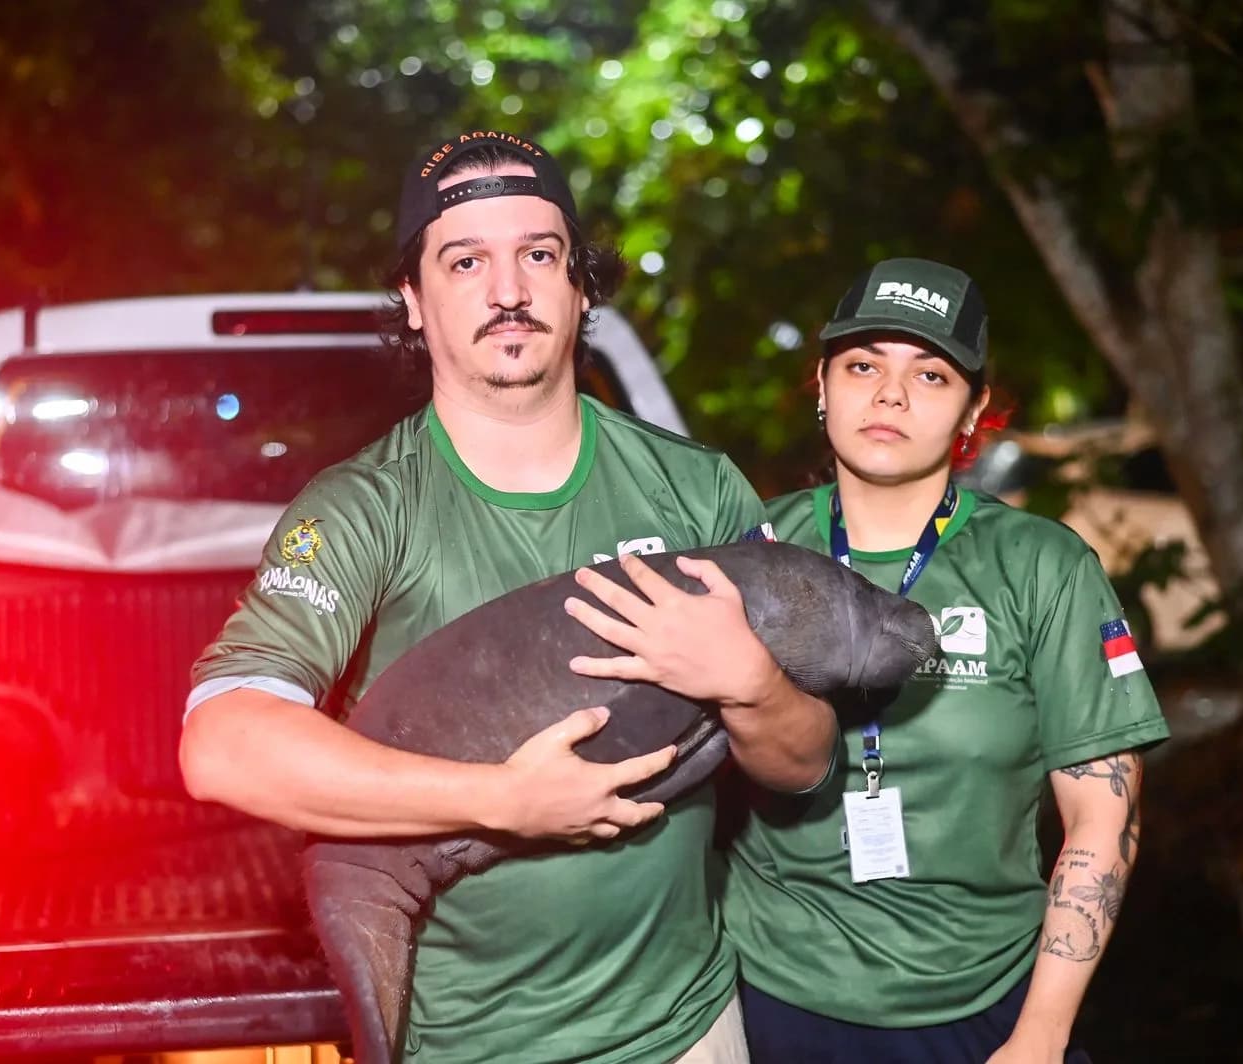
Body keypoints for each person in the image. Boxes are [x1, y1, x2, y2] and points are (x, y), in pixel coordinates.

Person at [178, 130, 837, 1064]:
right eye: (465, 261)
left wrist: (755, 685)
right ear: (413, 300)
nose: (508, 290)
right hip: (465, 1044)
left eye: (538, 253)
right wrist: (504, 800)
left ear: (579, 286)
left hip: (687, 1032)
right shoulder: (369, 508)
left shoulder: (697, 492)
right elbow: (223, 744)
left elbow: (805, 766)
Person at [723, 257, 1171, 1063]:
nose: (889, 395)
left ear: (972, 414)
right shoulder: (752, 549)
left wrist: (1041, 1033)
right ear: (822, 386)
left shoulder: (1041, 565)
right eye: (863, 366)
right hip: (772, 998)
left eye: (930, 375)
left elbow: (1105, 816)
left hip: (987, 1005)